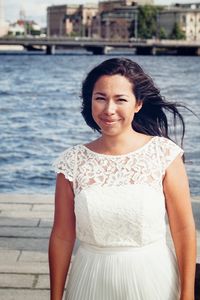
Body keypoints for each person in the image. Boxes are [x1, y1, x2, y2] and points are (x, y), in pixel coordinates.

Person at [49, 58, 196, 300]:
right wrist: (55, 297)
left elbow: (183, 229)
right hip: (90, 278)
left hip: (152, 278)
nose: (108, 109)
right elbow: (62, 235)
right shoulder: (71, 162)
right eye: (100, 98)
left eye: (121, 99)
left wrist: (188, 294)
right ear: (90, 101)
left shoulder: (165, 155)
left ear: (138, 103)